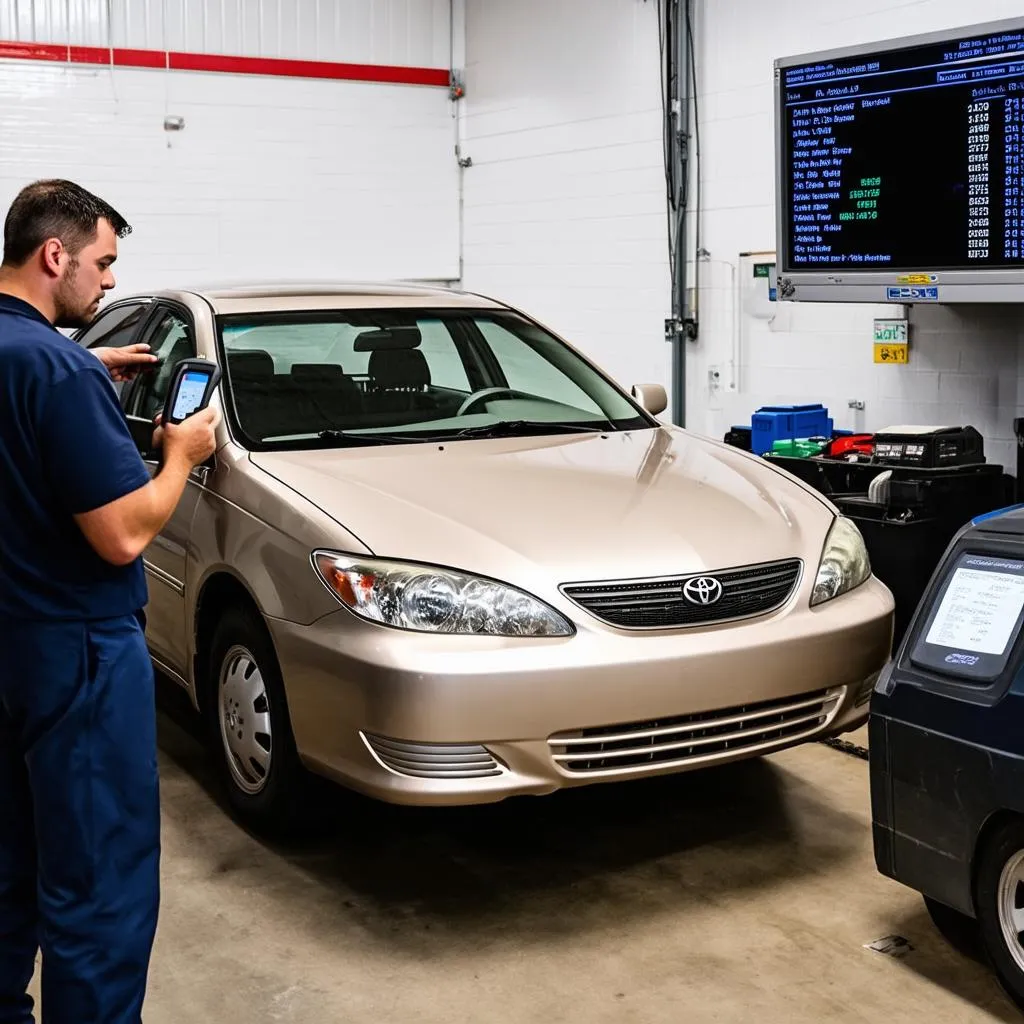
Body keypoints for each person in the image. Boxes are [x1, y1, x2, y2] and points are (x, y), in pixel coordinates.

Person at [0, 179, 219, 1023]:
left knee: (13, 853)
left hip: (10, 643)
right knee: (98, 881)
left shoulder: (44, 361)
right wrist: (180, 456)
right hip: (76, 651)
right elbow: (124, 535)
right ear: (54, 255)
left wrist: (88, 365)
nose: (108, 284)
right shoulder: (56, 371)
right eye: (102, 263)